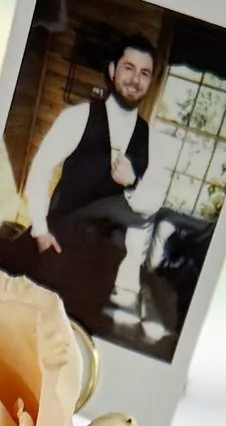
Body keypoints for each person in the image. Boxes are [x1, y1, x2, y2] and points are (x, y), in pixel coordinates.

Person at [15, 35, 173, 330]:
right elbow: (40, 170)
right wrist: (39, 230)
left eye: (144, 73)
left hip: (105, 260)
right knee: (31, 329)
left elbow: (152, 203)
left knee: (77, 340)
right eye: (129, 68)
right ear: (113, 71)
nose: (135, 79)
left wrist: (132, 183)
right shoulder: (78, 117)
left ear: (150, 82)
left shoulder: (151, 140)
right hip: (60, 244)